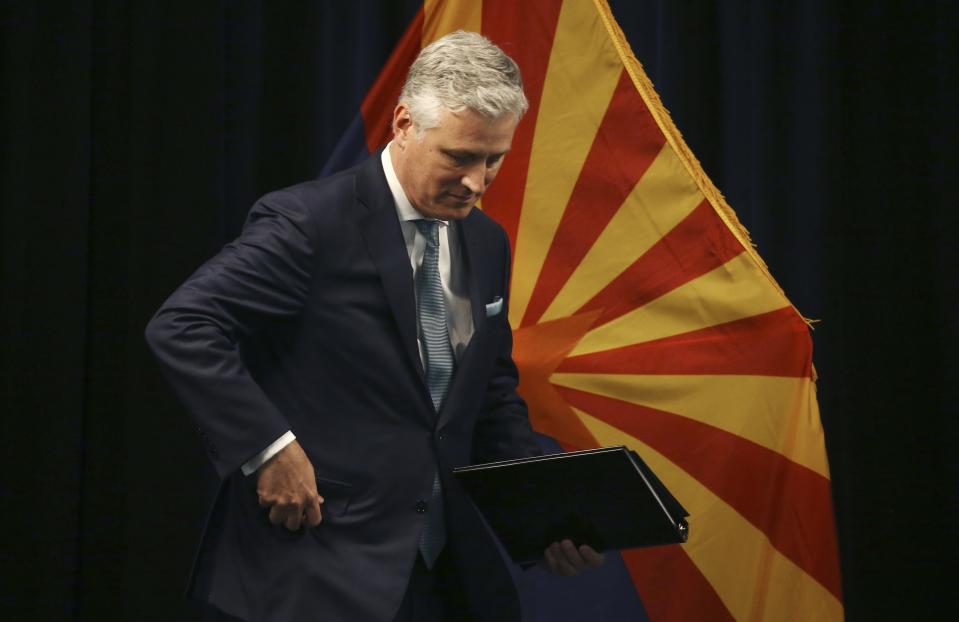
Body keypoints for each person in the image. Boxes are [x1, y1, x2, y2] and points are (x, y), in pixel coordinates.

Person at [145, 31, 601, 622]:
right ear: (404, 123)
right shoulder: (308, 222)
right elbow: (183, 325)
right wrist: (267, 449)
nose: (478, 181)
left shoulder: (488, 242)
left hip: (448, 574)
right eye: (459, 157)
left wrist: (543, 520)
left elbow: (486, 396)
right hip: (316, 568)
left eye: (495, 159)